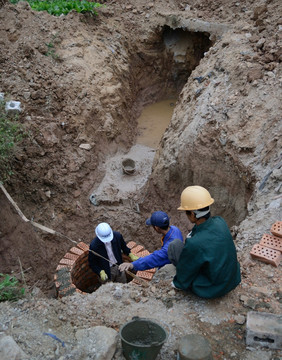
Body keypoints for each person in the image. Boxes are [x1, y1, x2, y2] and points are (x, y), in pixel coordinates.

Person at [169, 185, 241, 299]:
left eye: (186, 213)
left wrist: (177, 283)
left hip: (212, 288)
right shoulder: (220, 222)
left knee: (175, 246)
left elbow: (186, 270)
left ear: (193, 214)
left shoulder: (194, 243)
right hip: (232, 280)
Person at [118, 211, 183, 273]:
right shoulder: (175, 229)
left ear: (156, 228)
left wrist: (133, 265)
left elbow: (155, 259)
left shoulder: (168, 248)